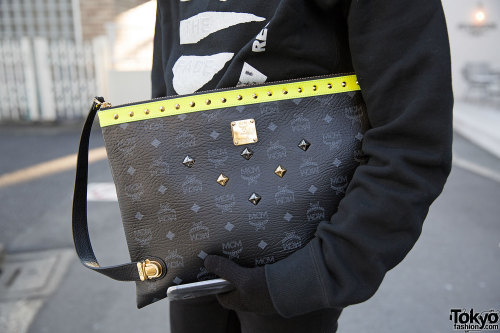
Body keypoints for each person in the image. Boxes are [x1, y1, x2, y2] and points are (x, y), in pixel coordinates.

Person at [151, 0, 453, 332]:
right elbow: (165, 102)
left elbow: (411, 140)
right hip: (193, 252)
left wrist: (314, 276)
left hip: (291, 264)